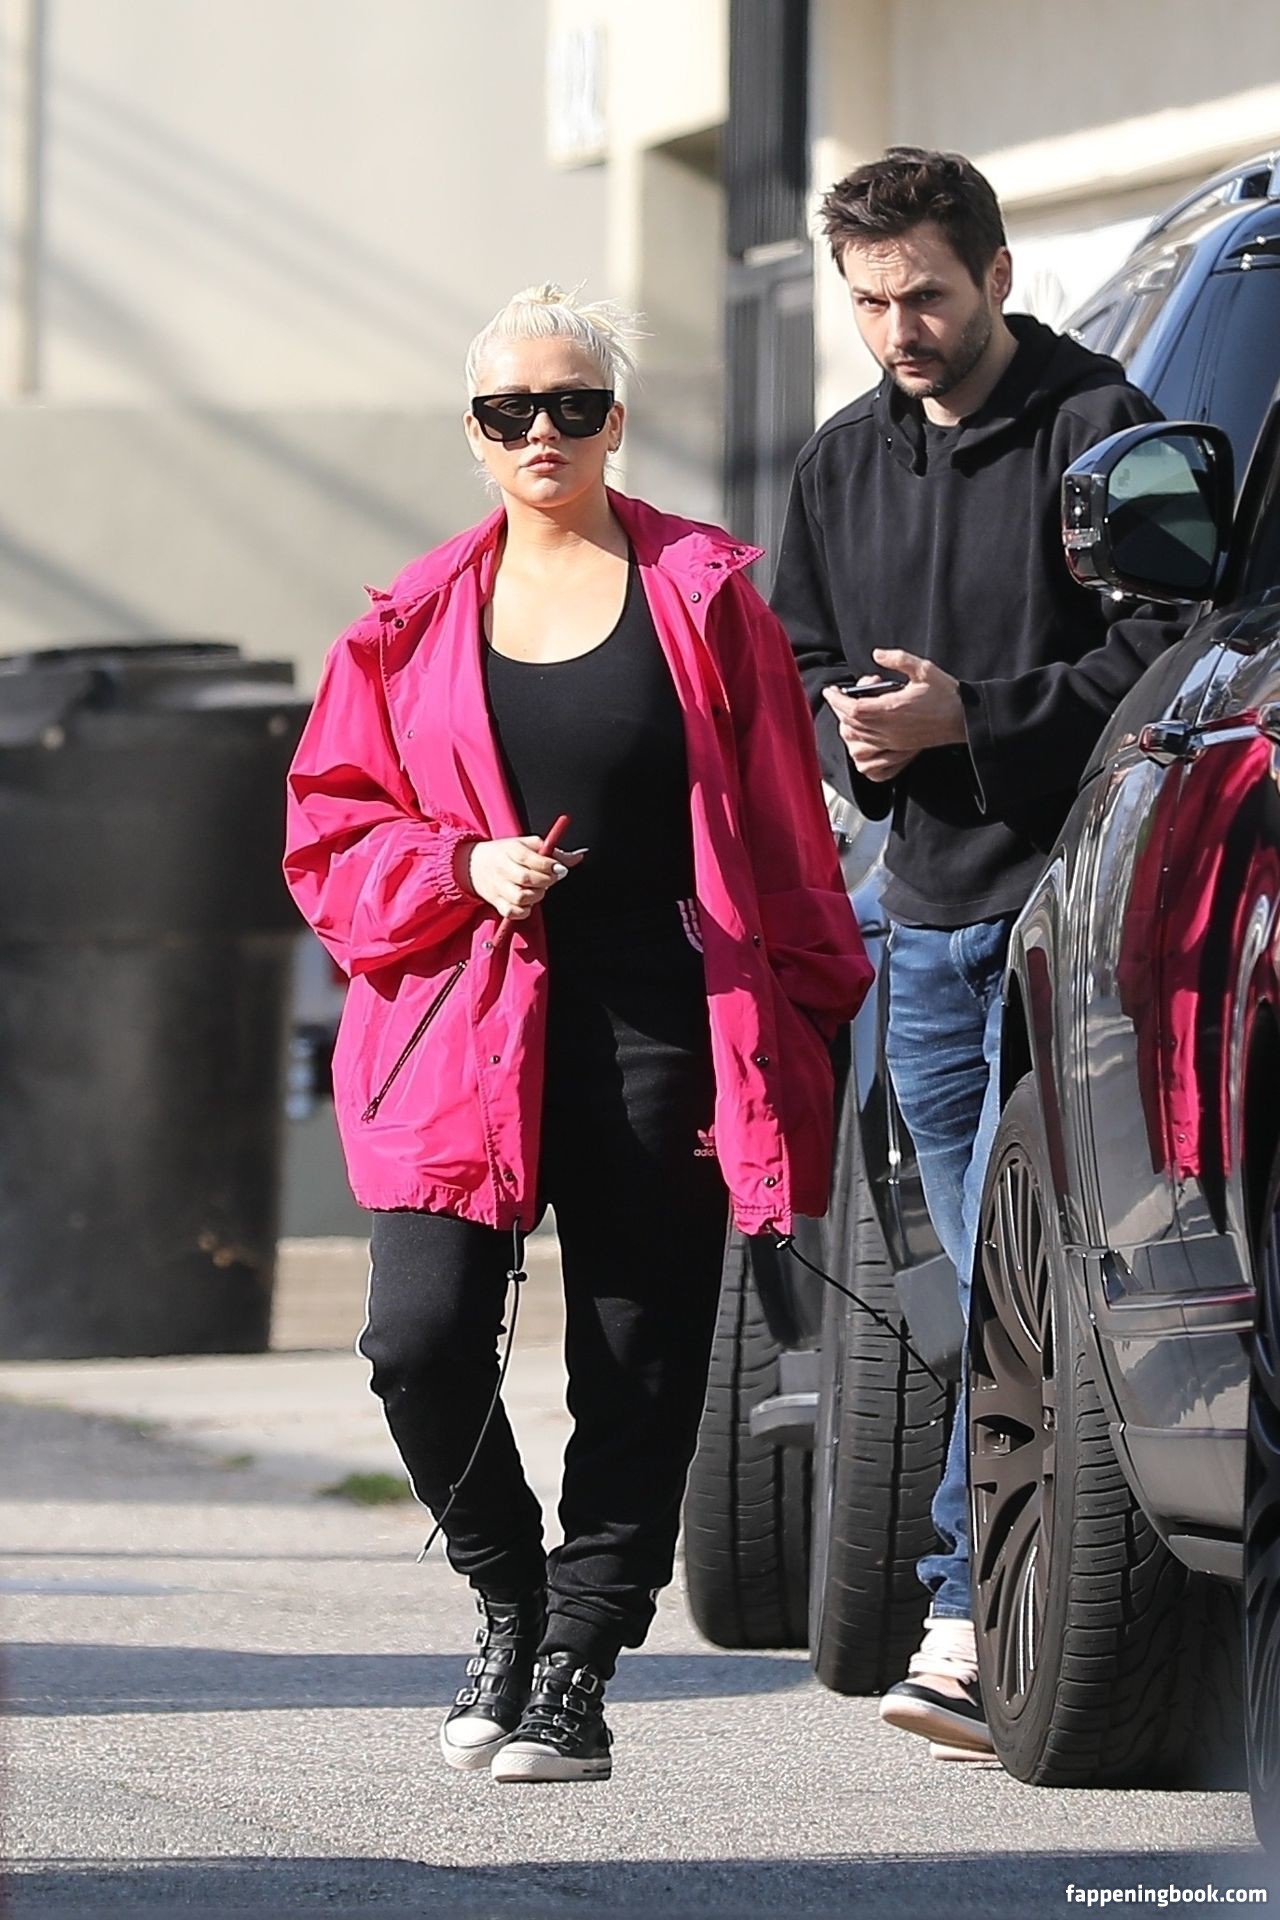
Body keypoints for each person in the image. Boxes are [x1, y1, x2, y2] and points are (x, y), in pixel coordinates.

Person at [284, 285, 871, 1783]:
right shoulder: (410, 622)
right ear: (474, 435)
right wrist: (458, 865)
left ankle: (581, 1661)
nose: (541, 432)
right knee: (418, 1342)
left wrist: (810, 1018)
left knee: (637, 1357)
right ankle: (508, 1591)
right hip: (458, 1024)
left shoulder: (705, 596)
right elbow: (328, 836)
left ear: (617, 424)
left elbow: (782, 827)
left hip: (662, 1018)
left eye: (572, 406)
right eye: (510, 412)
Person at [770, 149, 1171, 1760]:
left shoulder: (1102, 427)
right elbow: (796, 655)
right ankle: (1001, 1607)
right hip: (927, 923)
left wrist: (974, 721)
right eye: (871, 301)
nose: (900, 328)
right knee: (987, 1287)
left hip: (1083, 909)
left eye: (926, 294)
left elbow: (1171, 649)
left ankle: (966, 1612)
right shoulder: (838, 461)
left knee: (1034, 1278)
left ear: (998, 274)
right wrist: (855, 735)